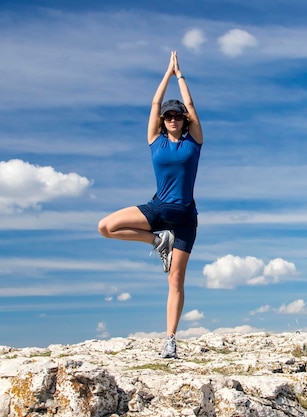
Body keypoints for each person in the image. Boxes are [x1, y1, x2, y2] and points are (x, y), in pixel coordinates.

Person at [98, 51, 203, 359]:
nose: (172, 119)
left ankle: (170, 339)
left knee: (177, 280)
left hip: (184, 218)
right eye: (168, 116)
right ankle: (158, 240)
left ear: (184, 121)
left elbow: (193, 107)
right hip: (158, 210)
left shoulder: (193, 142)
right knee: (106, 226)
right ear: (163, 121)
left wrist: (180, 76)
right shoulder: (155, 140)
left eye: (177, 116)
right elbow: (154, 105)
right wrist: (166, 74)